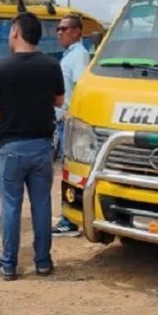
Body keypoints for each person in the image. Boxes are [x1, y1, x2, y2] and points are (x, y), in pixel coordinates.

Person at [0, 12, 65, 281]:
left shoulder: (0, 67)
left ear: (16, 33)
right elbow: (58, 100)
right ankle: (43, 261)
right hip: (42, 146)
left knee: (11, 207)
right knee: (42, 205)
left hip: (11, 146)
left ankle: (8, 264)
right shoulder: (51, 66)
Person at [51, 15, 90, 238]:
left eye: (64, 28)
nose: (59, 32)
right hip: (63, 121)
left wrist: (71, 114)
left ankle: (70, 220)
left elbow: (81, 89)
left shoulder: (79, 56)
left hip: (69, 122)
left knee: (71, 171)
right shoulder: (70, 55)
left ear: (77, 31)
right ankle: (69, 215)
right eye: (58, 28)